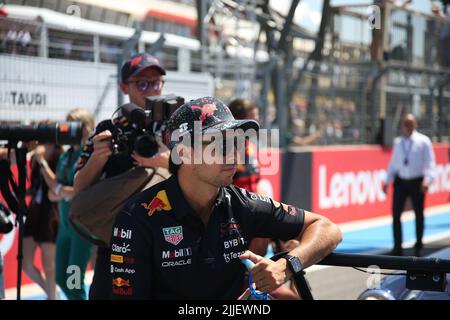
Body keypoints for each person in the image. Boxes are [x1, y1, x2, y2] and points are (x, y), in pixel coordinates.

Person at [108, 97, 342, 299]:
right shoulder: (137, 217)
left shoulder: (243, 204)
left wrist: (286, 266)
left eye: (236, 142)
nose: (234, 153)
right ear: (182, 153)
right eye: (218, 144)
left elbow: (328, 228)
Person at [73, 53, 170, 300]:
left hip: (169, 245)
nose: (151, 90)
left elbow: (202, 168)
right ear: (124, 87)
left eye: (156, 82)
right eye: (143, 83)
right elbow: (79, 188)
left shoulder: (176, 123)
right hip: (118, 246)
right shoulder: (109, 128)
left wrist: (159, 160)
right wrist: (98, 157)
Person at [37, 109, 96, 299]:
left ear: (84, 127)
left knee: (74, 282)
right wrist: (42, 163)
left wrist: (62, 191)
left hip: (81, 227)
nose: (65, 129)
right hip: (65, 226)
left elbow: (82, 190)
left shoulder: (90, 153)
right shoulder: (66, 155)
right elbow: (53, 190)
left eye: (71, 125)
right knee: (62, 278)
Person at [383, 114, 436, 256]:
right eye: (405, 124)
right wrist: (387, 181)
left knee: (419, 213)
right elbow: (393, 164)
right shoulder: (398, 142)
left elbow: (430, 164)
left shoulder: (423, 141)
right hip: (400, 181)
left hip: (417, 181)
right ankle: (397, 246)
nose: (408, 126)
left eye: (410, 123)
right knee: (396, 214)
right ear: (402, 126)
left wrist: (428, 180)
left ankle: (418, 245)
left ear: (415, 124)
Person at [22, 132, 63, 300]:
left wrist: (42, 161)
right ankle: (52, 294)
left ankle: (52, 296)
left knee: (49, 266)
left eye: (44, 143)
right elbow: (34, 186)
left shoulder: (59, 158)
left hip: (51, 214)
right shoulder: (35, 160)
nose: (40, 146)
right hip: (34, 212)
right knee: (26, 263)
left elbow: (55, 184)